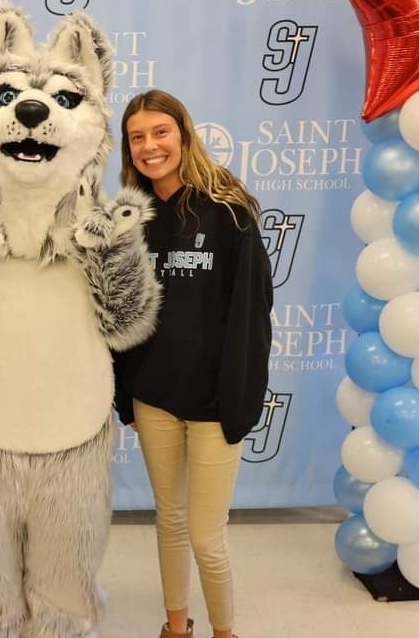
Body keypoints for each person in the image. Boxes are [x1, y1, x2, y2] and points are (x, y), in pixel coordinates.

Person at [113, 90, 273, 638]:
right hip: (154, 396)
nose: (150, 146)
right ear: (127, 147)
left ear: (183, 135)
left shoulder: (229, 212)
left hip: (214, 404)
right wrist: (123, 392)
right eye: (138, 137)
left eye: (160, 132)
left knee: (207, 536)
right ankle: (175, 626)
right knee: (170, 521)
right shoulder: (131, 218)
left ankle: (224, 632)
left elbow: (253, 315)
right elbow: (121, 310)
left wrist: (241, 400)